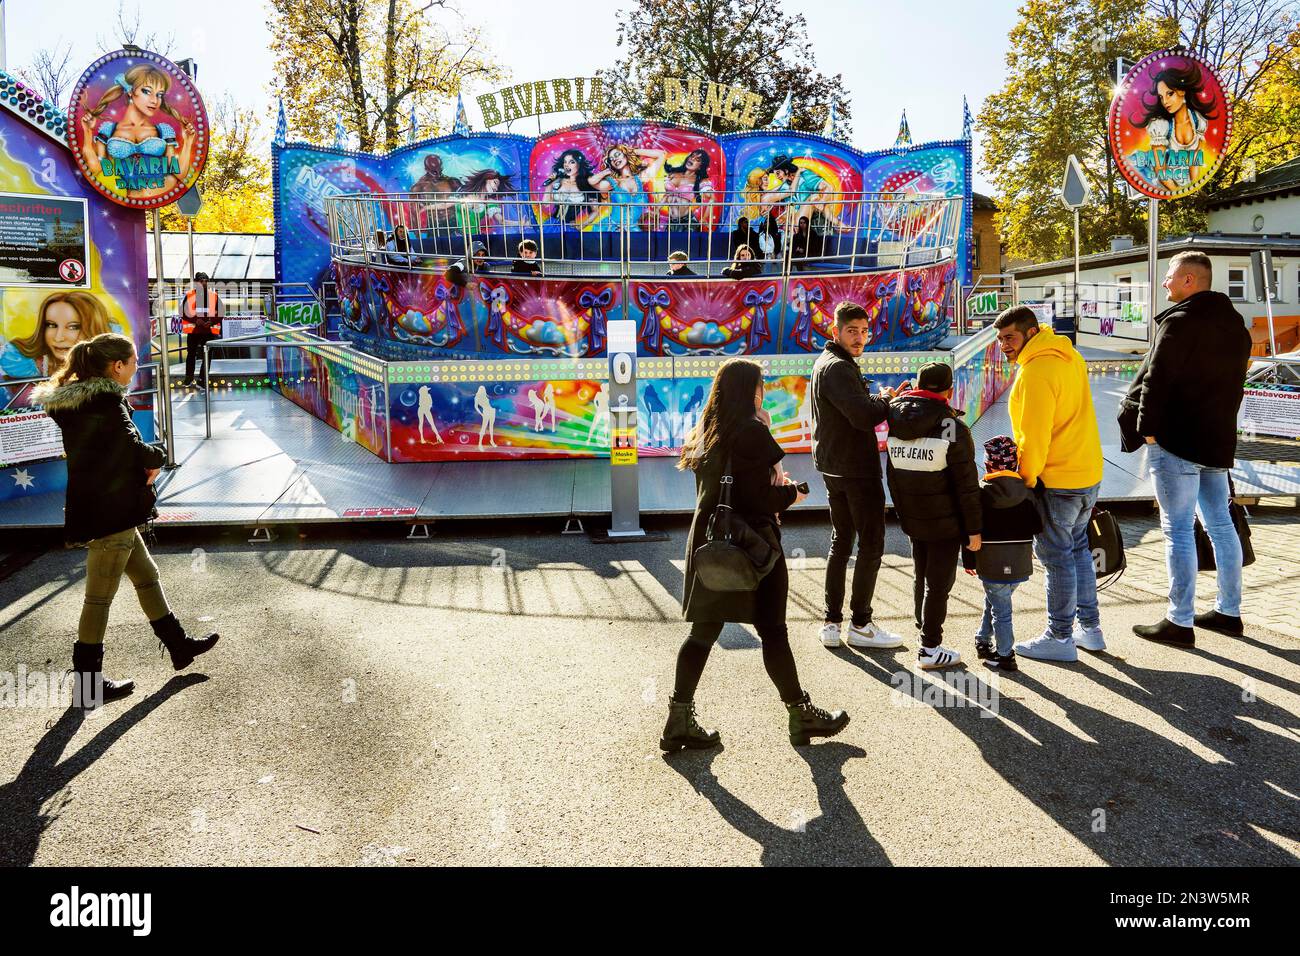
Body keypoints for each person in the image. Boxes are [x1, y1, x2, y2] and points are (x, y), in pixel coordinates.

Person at [667, 357, 849, 751]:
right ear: (751, 390)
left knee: (702, 633)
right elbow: (761, 496)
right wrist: (794, 494)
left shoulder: (705, 431)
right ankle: (800, 715)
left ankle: (678, 718)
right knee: (773, 630)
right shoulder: (752, 431)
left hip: (711, 543)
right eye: (760, 385)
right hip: (754, 545)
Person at [31, 334, 218, 709]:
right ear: (117, 366)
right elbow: (133, 448)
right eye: (133, 361)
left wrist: (140, 461)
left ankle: (178, 645)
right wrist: (159, 454)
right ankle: (88, 685)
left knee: (147, 576)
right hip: (110, 511)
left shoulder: (78, 402)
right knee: (98, 599)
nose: (135, 367)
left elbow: (111, 451)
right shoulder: (106, 402)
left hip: (105, 506)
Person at [1122, 251, 1252, 647]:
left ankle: (1179, 621)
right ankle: (1229, 612)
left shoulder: (1179, 323)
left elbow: (1156, 381)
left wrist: (1147, 431)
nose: (1165, 284)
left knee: (1177, 528)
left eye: (1170, 278)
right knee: (1221, 525)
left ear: (1190, 281)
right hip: (1216, 441)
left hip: (1175, 440)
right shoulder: (1236, 327)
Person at [994, 305, 1105, 662]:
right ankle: (1091, 630)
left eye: (1009, 338)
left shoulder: (1035, 373)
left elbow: (1034, 438)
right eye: (999, 340)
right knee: (1078, 551)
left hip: (1056, 480)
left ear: (1028, 333)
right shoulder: (1069, 355)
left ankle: (1059, 636)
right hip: (1087, 471)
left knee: (1057, 559)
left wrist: (1023, 482)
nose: (1004, 346)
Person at [811, 301, 903, 649]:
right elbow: (863, 416)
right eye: (852, 331)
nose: (860, 338)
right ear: (835, 332)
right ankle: (861, 623)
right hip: (855, 469)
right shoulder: (839, 368)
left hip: (833, 465)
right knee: (871, 543)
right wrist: (887, 400)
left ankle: (832, 622)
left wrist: (874, 399)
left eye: (864, 331)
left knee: (842, 541)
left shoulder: (826, 363)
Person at [884, 362, 982, 669]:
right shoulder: (953, 428)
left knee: (921, 576)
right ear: (950, 391)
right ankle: (930, 648)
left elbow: (892, 475)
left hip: (913, 517)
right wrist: (974, 530)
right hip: (946, 522)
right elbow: (966, 487)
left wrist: (903, 513)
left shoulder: (896, 419)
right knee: (938, 584)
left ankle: (921, 627)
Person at [962, 435, 1043, 673]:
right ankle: (983, 639)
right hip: (1019, 562)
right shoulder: (1028, 492)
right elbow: (1037, 527)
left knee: (1001, 609)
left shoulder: (979, 492)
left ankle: (1006, 655)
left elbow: (970, 528)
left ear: (988, 464)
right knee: (998, 602)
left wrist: (968, 560)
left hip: (990, 561)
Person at [181, 271, 222, 390]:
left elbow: (221, 312)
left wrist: (212, 321)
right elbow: (183, 312)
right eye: (201, 281)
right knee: (191, 354)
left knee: (207, 356)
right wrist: (195, 320)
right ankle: (189, 378)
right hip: (194, 331)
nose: (203, 283)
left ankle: (202, 380)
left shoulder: (213, 296)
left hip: (208, 331)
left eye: (205, 281)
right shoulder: (189, 295)